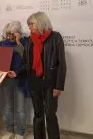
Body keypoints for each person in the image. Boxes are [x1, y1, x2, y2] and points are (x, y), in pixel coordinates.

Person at [24, 11, 66, 139]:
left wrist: (59, 86)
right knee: (38, 114)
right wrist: (15, 72)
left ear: (40, 22)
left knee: (50, 114)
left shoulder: (55, 37)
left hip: (50, 84)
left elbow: (61, 64)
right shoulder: (30, 40)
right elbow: (27, 62)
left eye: (31, 24)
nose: (29, 27)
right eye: (29, 25)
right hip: (34, 83)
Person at [0, 21, 29, 139]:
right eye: (9, 33)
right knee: (8, 106)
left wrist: (18, 42)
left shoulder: (24, 42)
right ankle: (9, 130)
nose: (11, 36)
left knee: (20, 109)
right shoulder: (3, 43)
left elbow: (26, 59)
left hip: (20, 79)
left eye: (14, 34)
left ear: (19, 33)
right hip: (6, 79)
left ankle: (20, 132)